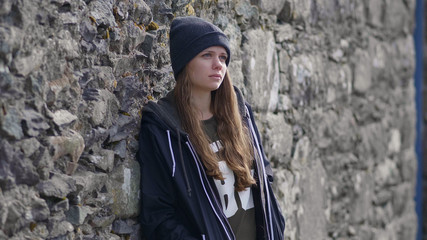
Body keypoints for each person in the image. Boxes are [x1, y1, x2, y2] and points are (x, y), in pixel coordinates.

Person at [137, 16, 285, 240]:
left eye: (223, 57)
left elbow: (265, 179)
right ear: (185, 62)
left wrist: (276, 225)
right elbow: (158, 215)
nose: (219, 65)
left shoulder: (241, 114)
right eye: (207, 55)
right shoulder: (164, 128)